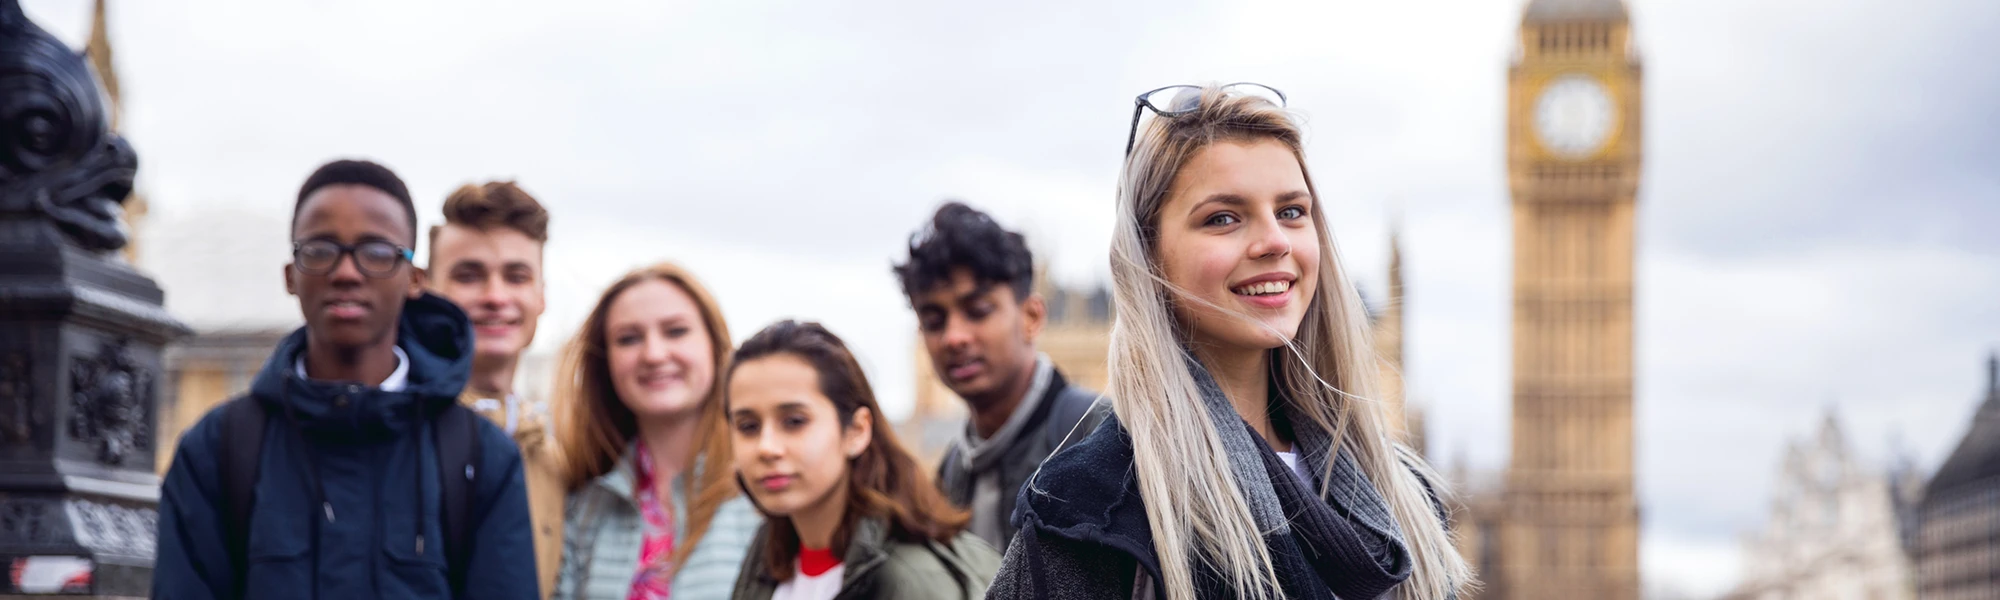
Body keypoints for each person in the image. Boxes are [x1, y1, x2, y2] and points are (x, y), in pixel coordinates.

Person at [987, 85, 1472, 600]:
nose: (1275, 241)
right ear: (1148, 258)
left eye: (1291, 212)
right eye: (1223, 217)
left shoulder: (1405, 500)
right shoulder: (1086, 515)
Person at [154, 159, 537, 599]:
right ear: (290, 276)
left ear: (416, 279)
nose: (346, 272)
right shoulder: (216, 449)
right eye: (320, 249)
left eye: (376, 251)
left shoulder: (482, 459)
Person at [724, 320, 998, 600]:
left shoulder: (914, 579)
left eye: (794, 421)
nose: (767, 448)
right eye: (748, 426)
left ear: (857, 430)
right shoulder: (767, 557)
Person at [891, 201, 1105, 551]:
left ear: (1032, 317)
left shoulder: (1102, 437)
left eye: (977, 311)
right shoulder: (952, 470)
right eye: (933, 321)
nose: (954, 336)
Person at [551, 263, 761, 600]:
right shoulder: (585, 508)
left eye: (676, 331)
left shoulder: (762, 492)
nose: (653, 354)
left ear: (714, 344)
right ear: (606, 362)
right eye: (628, 338)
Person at [425, 180, 564, 597]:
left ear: (541, 296)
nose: (495, 296)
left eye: (517, 276)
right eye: (469, 276)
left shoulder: (555, 456)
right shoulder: (398, 434)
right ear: (427, 288)